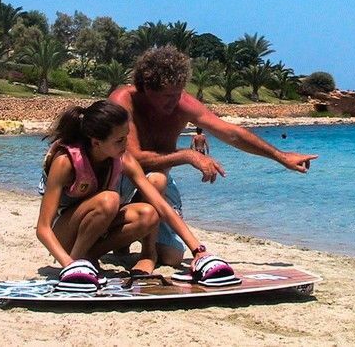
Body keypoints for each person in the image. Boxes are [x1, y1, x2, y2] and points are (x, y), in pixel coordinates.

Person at [109, 45, 318, 266]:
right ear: (145, 89)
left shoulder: (182, 102)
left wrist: (280, 156)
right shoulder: (123, 101)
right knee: (145, 183)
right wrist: (188, 156)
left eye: (178, 93)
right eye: (167, 96)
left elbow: (231, 133)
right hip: (121, 178)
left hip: (158, 178)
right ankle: (121, 233)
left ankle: (132, 233)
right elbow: (133, 159)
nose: (175, 101)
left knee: (171, 256)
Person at [37, 100, 235, 290]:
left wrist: (198, 251)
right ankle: (77, 264)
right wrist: (68, 264)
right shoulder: (65, 162)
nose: (126, 145)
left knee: (148, 214)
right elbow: (43, 229)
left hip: (94, 232)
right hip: (63, 236)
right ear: (96, 142)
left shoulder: (123, 158)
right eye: (120, 140)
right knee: (110, 199)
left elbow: (161, 205)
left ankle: (89, 258)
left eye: (127, 136)